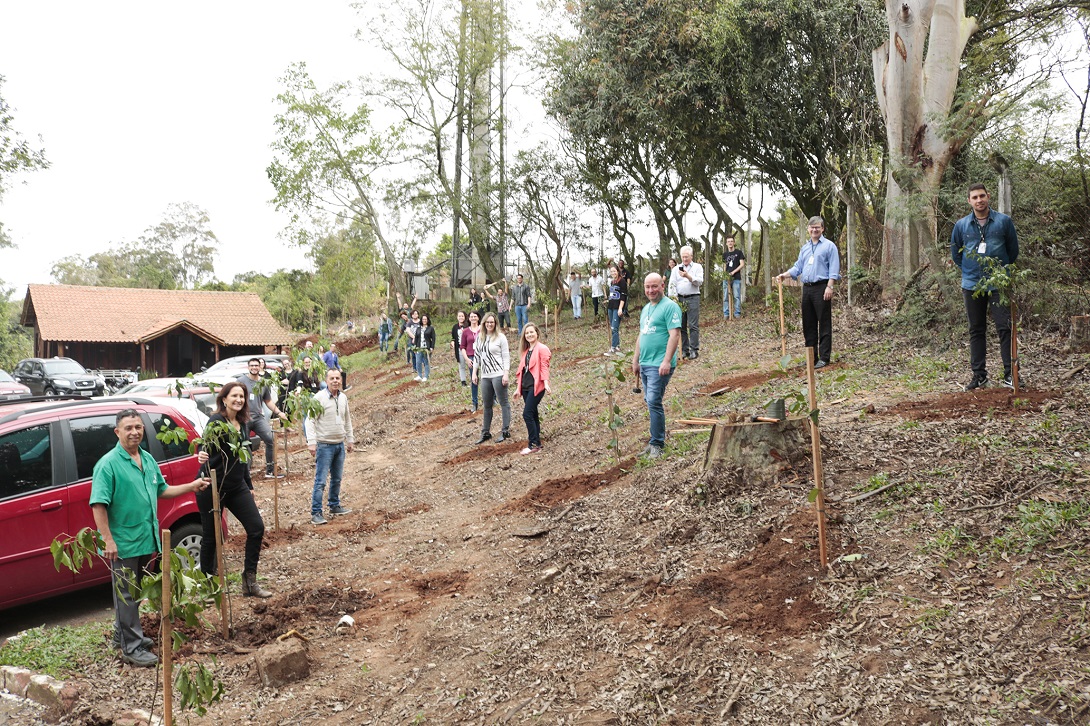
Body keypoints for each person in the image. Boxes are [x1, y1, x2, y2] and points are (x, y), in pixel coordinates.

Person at [90, 409, 210, 667]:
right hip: (124, 543)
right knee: (126, 596)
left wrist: (192, 486)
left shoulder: (147, 459)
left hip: (147, 539)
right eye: (128, 428)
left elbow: (162, 490)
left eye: (138, 427)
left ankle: (123, 635)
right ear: (117, 432)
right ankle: (130, 648)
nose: (134, 432)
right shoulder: (108, 464)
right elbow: (98, 504)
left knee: (136, 594)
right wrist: (108, 540)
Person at [197, 382, 271, 598]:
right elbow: (204, 448)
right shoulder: (216, 421)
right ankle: (208, 588)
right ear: (224, 399)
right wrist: (202, 455)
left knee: (256, 528)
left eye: (242, 396)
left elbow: (243, 457)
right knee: (212, 537)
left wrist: (249, 486)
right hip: (212, 486)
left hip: (237, 486)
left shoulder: (243, 423)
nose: (239, 400)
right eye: (234, 396)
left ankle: (249, 582)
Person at [951, 182, 1020, 390]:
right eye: (975, 197)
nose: (979, 200)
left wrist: (1001, 273)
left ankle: (1011, 375)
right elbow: (956, 255)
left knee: (1005, 328)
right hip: (972, 284)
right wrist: (972, 272)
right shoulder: (961, 225)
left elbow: (1012, 251)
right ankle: (979, 376)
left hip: (999, 283)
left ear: (988, 197)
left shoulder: (1003, 222)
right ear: (969, 201)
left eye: (982, 196)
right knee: (976, 330)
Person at [777, 216, 841, 369]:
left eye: (817, 227)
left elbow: (834, 268)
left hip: (822, 287)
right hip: (807, 289)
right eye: (812, 227)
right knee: (808, 324)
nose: (814, 230)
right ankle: (812, 357)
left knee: (824, 323)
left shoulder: (829, 246)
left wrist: (830, 286)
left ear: (822, 228)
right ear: (808, 229)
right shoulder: (805, 248)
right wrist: (785, 275)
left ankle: (824, 357)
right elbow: (798, 267)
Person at [631, 273, 682, 459]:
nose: (651, 290)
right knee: (650, 402)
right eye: (647, 287)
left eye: (654, 286)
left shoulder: (670, 307)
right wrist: (636, 360)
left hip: (659, 364)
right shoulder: (646, 309)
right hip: (645, 363)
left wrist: (667, 360)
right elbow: (641, 335)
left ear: (662, 285)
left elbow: (674, 335)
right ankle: (654, 441)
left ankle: (658, 444)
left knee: (653, 401)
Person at [304, 368, 355, 525]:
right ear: (326, 381)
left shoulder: (343, 398)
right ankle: (316, 512)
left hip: (339, 444)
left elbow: (347, 419)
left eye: (337, 378)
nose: (335, 381)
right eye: (332, 378)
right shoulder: (318, 398)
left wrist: (350, 439)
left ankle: (334, 505)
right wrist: (311, 442)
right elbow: (309, 420)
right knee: (321, 481)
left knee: (337, 478)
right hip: (324, 445)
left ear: (341, 380)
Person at [237, 358, 288, 478]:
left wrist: (279, 412)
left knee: (270, 439)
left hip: (258, 417)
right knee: (243, 445)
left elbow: (268, 401)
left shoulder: (264, 383)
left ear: (260, 367)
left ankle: (270, 471)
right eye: (252, 365)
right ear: (248, 367)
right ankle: (244, 474)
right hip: (243, 418)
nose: (254, 367)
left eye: (256, 365)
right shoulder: (240, 381)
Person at [472, 312, 511, 444]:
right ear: (484, 323)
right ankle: (485, 432)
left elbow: (506, 356)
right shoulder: (480, 337)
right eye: (487, 322)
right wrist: (474, 373)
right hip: (485, 375)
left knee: (503, 402)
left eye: (492, 322)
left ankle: (505, 430)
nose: (489, 324)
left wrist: (506, 374)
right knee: (487, 405)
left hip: (498, 373)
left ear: (495, 324)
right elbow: (477, 356)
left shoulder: (500, 337)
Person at [514, 323, 551, 455]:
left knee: (527, 414)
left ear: (537, 333)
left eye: (531, 332)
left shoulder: (542, 349)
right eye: (527, 333)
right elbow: (522, 372)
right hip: (526, 387)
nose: (529, 335)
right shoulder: (526, 351)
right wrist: (518, 389)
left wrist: (546, 383)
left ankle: (533, 444)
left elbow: (544, 367)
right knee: (533, 413)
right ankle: (537, 442)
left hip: (537, 386)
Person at [668, 244, 704, 359]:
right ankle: (685, 350)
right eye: (683, 257)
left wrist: (687, 276)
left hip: (693, 297)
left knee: (693, 325)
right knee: (681, 325)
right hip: (680, 299)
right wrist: (673, 299)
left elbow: (699, 282)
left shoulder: (697, 267)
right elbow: (672, 285)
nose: (685, 259)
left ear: (691, 256)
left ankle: (694, 349)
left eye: (687, 257)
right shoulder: (675, 269)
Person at [460, 311, 482, 412]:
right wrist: (467, 359)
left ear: (478, 318)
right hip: (471, 357)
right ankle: (475, 402)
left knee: (489, 378)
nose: (473, 318)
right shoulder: (465, 331)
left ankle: (493, 399)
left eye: (475, 316)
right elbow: (462, 347)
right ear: (468, 319)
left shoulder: (483, 329)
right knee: (474, 380)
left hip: (483, 356)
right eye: (471, 317)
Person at [605, 266, 627, 355]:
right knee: (613, 328)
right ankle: (617, 346)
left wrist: (620, 308)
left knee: (614, 327)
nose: (613, 273)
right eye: (611, 271)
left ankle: (613, 348)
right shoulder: (612, 282)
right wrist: (608, 300)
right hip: (611, 306)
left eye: (614, 271)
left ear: (618, 271)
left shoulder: (622, 281)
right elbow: (613, 294)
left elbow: (623, 296)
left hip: (617, 307)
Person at [723, 236, 746, 318]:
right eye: (728, 241)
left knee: (736, 296)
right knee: (725, 297)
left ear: (734, 242)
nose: (730, 243)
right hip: (726, 279)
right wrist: (725, 275)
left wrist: (733, 272)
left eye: (731, 241)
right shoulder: (725, 254)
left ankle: (737, 313)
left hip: (736, 278)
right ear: (726, 243)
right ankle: (726, 313)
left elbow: (742, 264)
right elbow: (724, 266)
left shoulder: (739, 253)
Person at [413, 313, 436, 382]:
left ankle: (426, 376)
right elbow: (416, 338)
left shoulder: (431, 328)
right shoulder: (418, 328)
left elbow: (433, 338)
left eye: (425, 319)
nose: (424, 320)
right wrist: (415, 347)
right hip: (419, 348)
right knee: (418, 361)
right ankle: (419, 375)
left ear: (428, 320)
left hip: (427, 348)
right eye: (423, 319)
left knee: (426, 362)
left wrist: (432, 347)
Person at [450, 310, 469, 387]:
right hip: (459, 348)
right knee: (461, 365)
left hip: (469, 348)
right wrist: (452, 342)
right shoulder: (455, 327)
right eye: (459, 316)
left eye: (462, 316)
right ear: (457, 317)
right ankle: (463, 381)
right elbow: (453, 338)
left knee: (472, 364)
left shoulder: (468, 325)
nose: (461, 317)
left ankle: (474, 378)